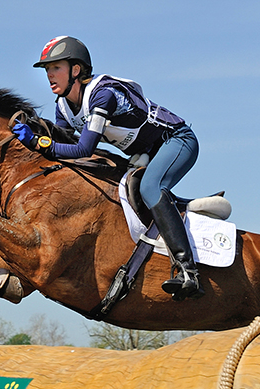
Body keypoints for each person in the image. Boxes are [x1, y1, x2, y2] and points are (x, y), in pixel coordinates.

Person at [13, 36, 204, 301]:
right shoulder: (63, 109)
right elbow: (62, 154)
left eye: (55, 68)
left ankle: (187, 271)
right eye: (47, 70)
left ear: (76, 70)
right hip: (145, 154)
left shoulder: (102, 95)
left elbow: (82, 150)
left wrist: (38, 143)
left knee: (150, 187)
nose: (49, 75)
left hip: (176, 140)